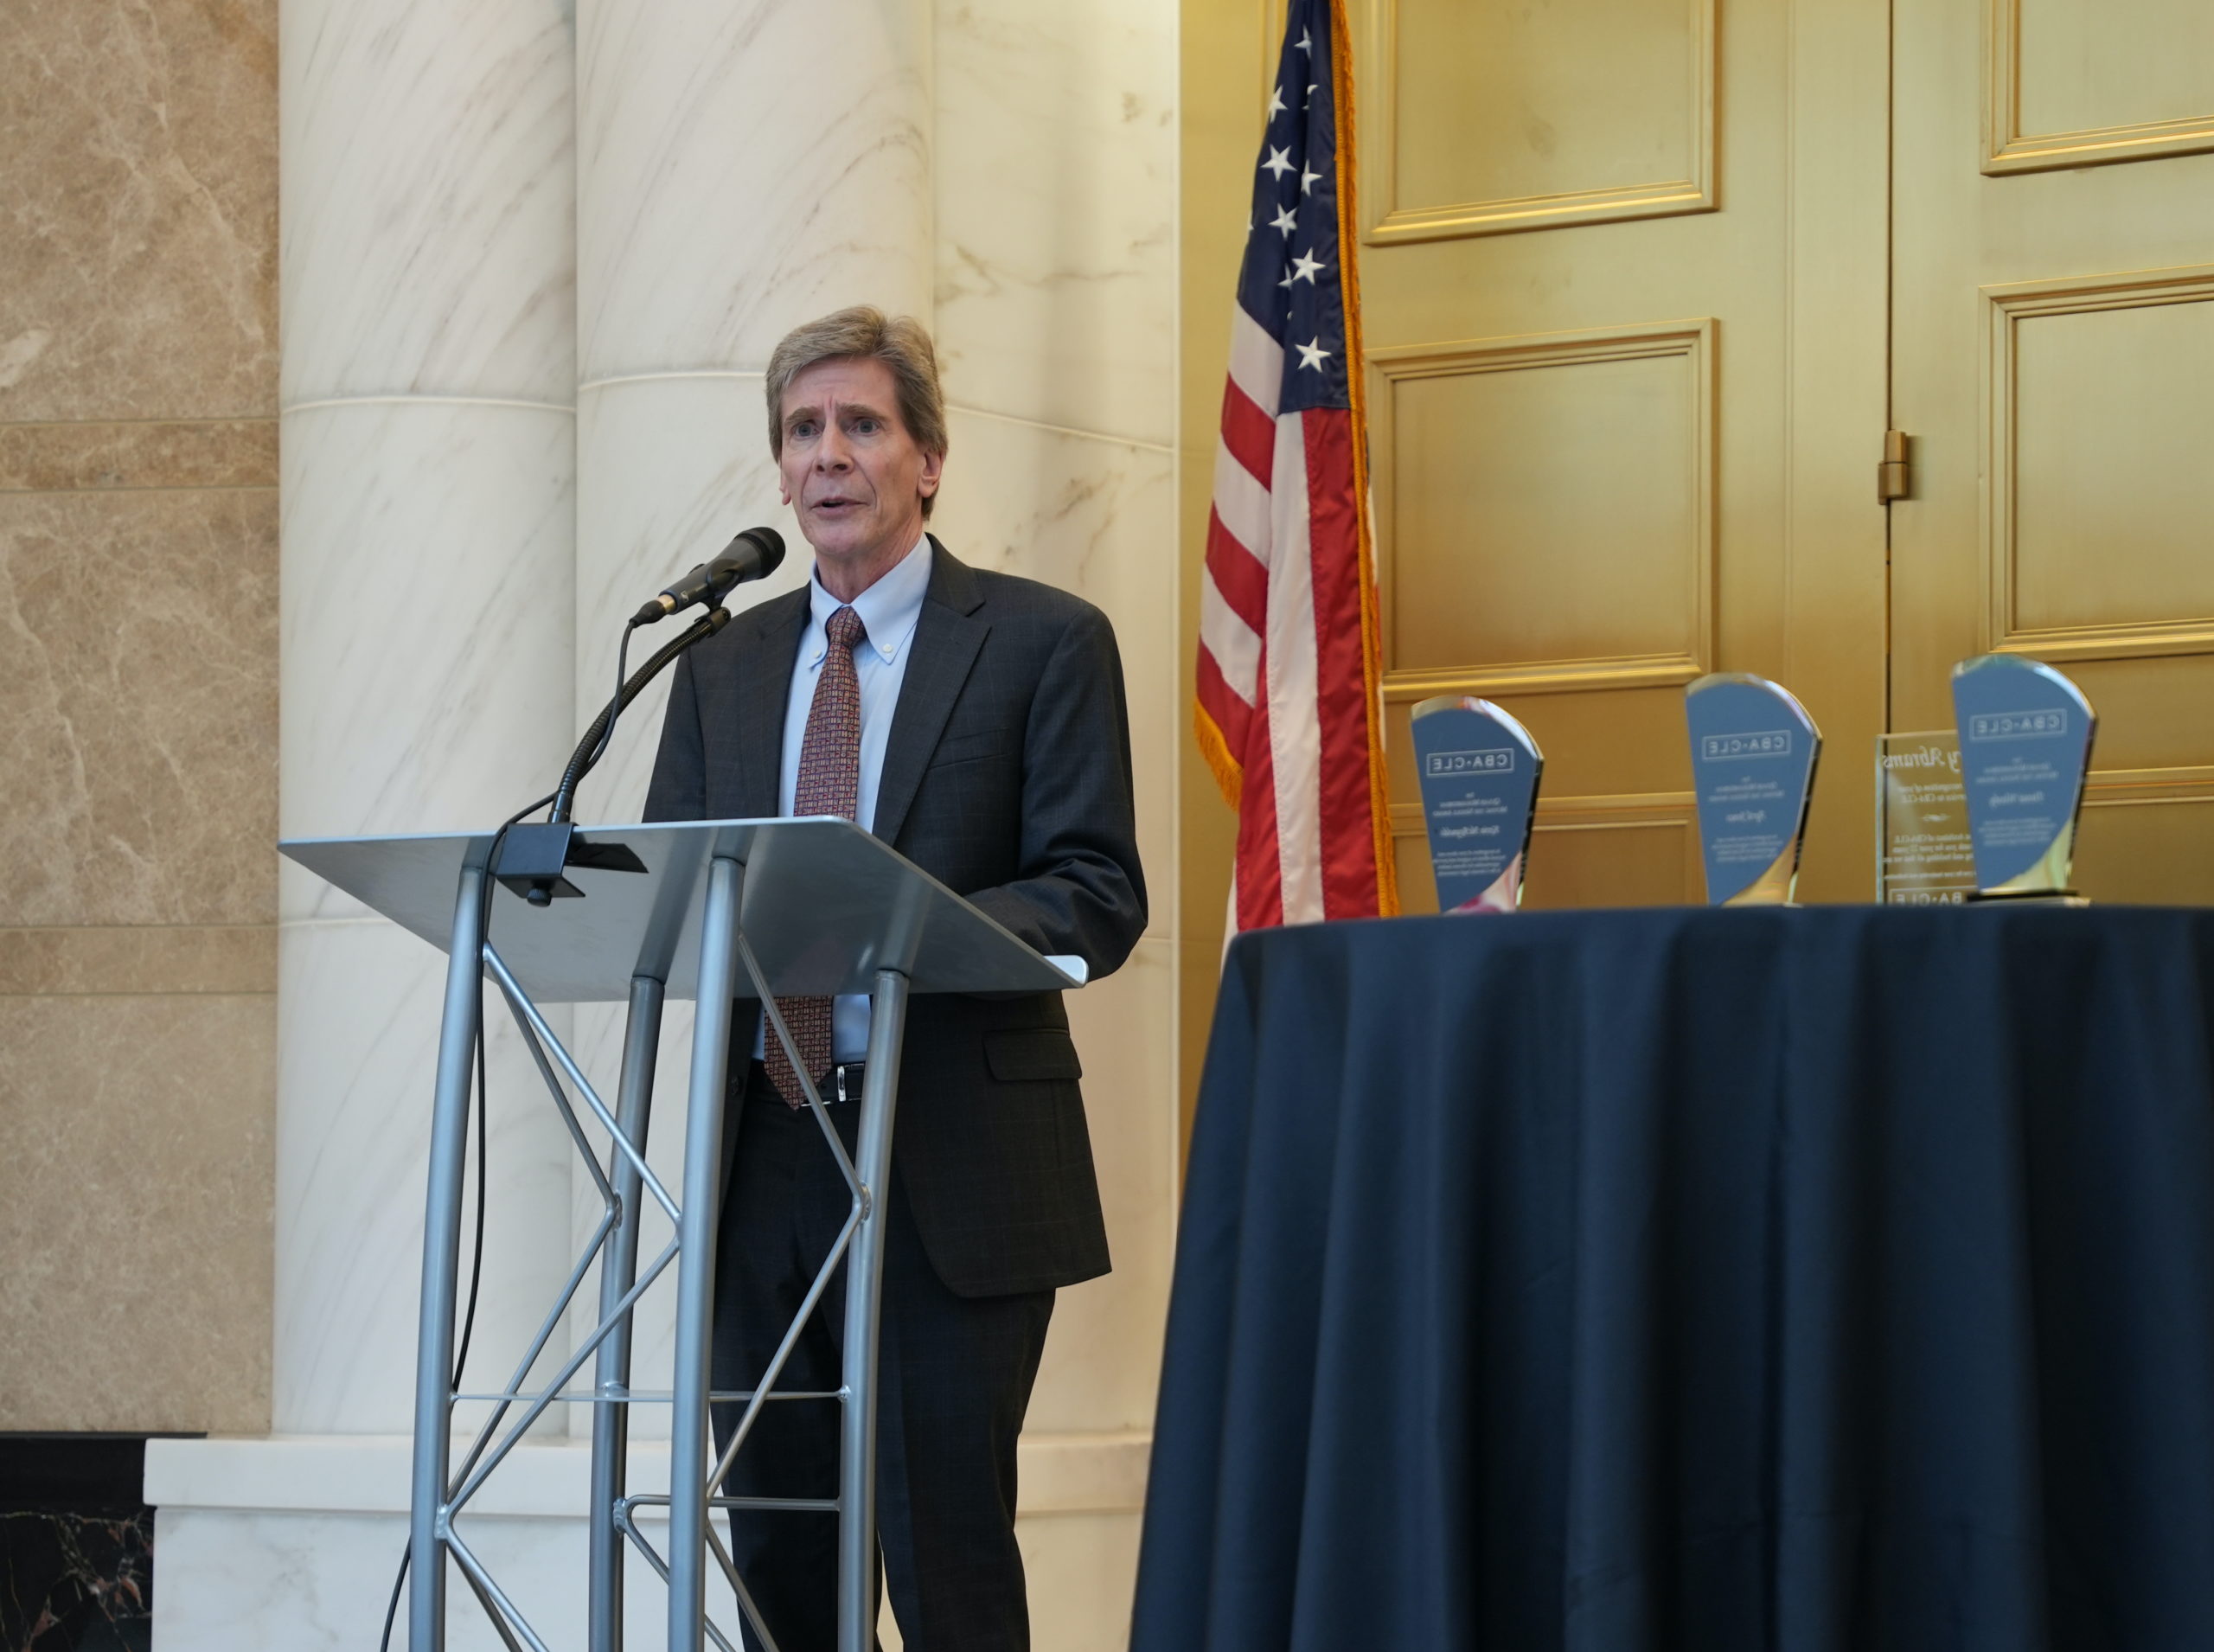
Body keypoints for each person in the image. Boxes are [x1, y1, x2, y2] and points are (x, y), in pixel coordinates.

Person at [643, 305, 1147, 1651]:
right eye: (803, 431)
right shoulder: (719, 667)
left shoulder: (1043, 641)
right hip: (768, 1158)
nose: (828, 456)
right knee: (782, 1563)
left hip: (951, 1161)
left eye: (861, 424)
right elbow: (672, 895)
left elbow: (1098, 892)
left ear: (929, 457)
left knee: (949, 1560)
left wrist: (896, 925)